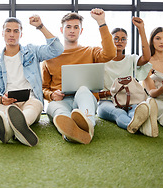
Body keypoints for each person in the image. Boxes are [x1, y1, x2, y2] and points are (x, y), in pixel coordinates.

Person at [0, 15, 64, 147]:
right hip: (8, 103)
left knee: (35, 105)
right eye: (8, 30)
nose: (12, 34)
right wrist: (0, 99)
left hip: (30, 100)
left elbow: (57, 49)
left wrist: (40, 26)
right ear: (2, 33)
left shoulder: (31, 51)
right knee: (1, 108)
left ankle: (10, 130)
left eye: (16, 31)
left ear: (21, 34)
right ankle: (19, 129)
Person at [42, 8, 116, 144]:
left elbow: (111, 54)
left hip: (85, 99)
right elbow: (43, 88)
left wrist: (101, 22)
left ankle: (86, 125)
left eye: (76, 27)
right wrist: (51, 96)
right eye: (68, 27)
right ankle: (70, 131)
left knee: (83, 89)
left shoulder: (91, 51)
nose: (72, 30)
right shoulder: (50, 57)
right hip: (60, 101)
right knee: (58, 111)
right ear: (61, 29)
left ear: (81, 31)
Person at [97, 17, 158, 137]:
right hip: (106, 102)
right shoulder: (101, 61)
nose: (119, 41)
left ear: (126, 42)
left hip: (129, 100)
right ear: (110, 40)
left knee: (136, 111)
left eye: (123, 39)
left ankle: (141, 123)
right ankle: (141, 128)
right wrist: (111, 93)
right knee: (118, 113)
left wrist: (141, 29)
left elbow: (146, 58)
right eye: (116, 38)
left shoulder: (131, 59)